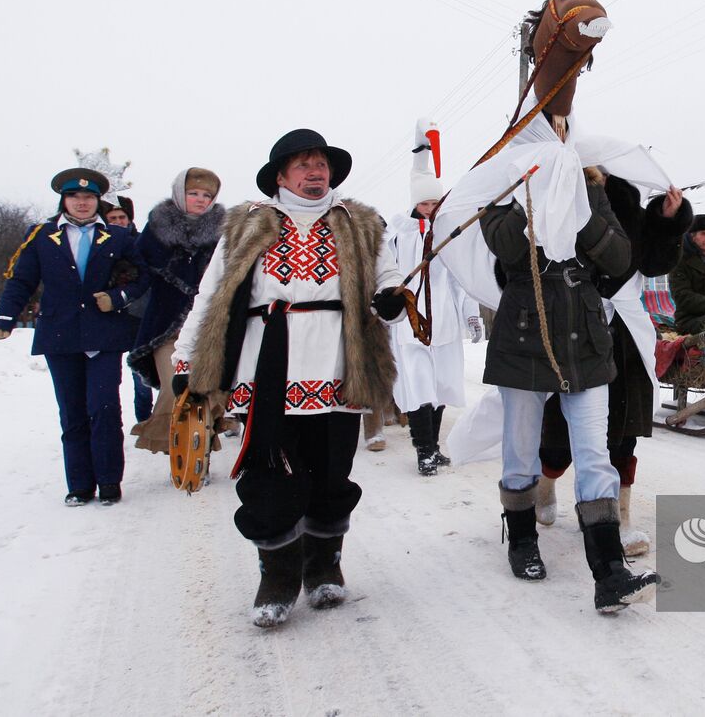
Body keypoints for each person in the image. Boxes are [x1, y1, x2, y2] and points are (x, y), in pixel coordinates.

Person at [171, 130, 404, 628]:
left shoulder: (360, 222)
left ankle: (324, 566)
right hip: (266, 364)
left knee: (331, 471)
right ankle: (277, 576)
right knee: (270, 476)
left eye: (321, 164)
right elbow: (211, 293)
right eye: (303, 165)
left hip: (338, 364)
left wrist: (391, 297)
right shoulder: (247, 224)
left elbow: (390, 276)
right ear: (280, 176)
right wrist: (186, 358)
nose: (314, 172)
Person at [480, 167, 661, 612]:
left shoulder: (591, 190)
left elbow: (619, 258)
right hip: (522, 332)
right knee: (521, 447)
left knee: (595, 454)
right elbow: (506, 248)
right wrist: (532, 193)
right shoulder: (501, 187)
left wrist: (582, 207)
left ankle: (610, 573)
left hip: (585, 334)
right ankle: (522, 539)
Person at [533, 175, 690, 555]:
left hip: (623, 332)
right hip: (572, 325)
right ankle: (547, 481)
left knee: (624, 426)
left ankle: (620, 516)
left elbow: (654, 263)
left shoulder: (628, 204)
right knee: (558, 428)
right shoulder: (560, 201)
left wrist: (669, 220)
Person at [0, 168, 148, 506]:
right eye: (75, 196)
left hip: (103, 336)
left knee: (104, 407)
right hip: (60, 335)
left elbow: (143, 278)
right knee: (72, 412)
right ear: (64, 200)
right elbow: (22, 281)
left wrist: (118, 298)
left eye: (89, 197)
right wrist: (4, 317)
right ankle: (79, 485)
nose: (82, 202)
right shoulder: (41, 236)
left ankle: (109, 481)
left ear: (98, 201)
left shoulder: (117, 237)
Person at [387, 121, 482, 476]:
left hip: (444, 322)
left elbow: (460, 279)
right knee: (419, 387)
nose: (429, 207)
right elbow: (386, 275)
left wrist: (471, 314)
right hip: (412, 325)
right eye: (424, 202)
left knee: (441, 388)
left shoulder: (447, 232)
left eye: (434, 202)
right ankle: (423, 451)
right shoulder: (399, 234)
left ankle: (434, 447)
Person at [126, 168, 225, 456]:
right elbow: (135, 272)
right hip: (166, 324)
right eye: (193, 193)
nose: (201, 199)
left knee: (207, 390)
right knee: (175, 388)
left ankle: (200, 453)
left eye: (207, 195)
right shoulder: (156, 229)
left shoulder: (223, 232)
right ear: (180, 194)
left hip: (207, 326)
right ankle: (178, 450)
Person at [102, 195, 154, 426]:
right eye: (112, 218)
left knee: (140, 373)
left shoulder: (142, 242)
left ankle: (144, 419)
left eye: (121, 217)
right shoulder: (98, 242)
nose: (117, 222)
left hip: (138, 314)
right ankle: (108, 418)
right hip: (107, 315)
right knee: (108, 375)